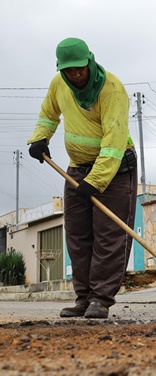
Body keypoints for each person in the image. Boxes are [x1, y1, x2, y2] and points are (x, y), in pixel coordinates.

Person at [27, 38, 138, 319]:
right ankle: (84, 298)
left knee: (109, 236)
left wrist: (96, 181)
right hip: (77, 168)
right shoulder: (59, 84)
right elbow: (49, 114)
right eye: (69, 70)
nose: (75, 75)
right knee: (77, 235)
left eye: (79, 69)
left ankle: (100, 299)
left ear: (90, 62)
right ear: (61, 70)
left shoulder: (112, 89)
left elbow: (113, 143)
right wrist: (40, 138)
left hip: (114, 170)